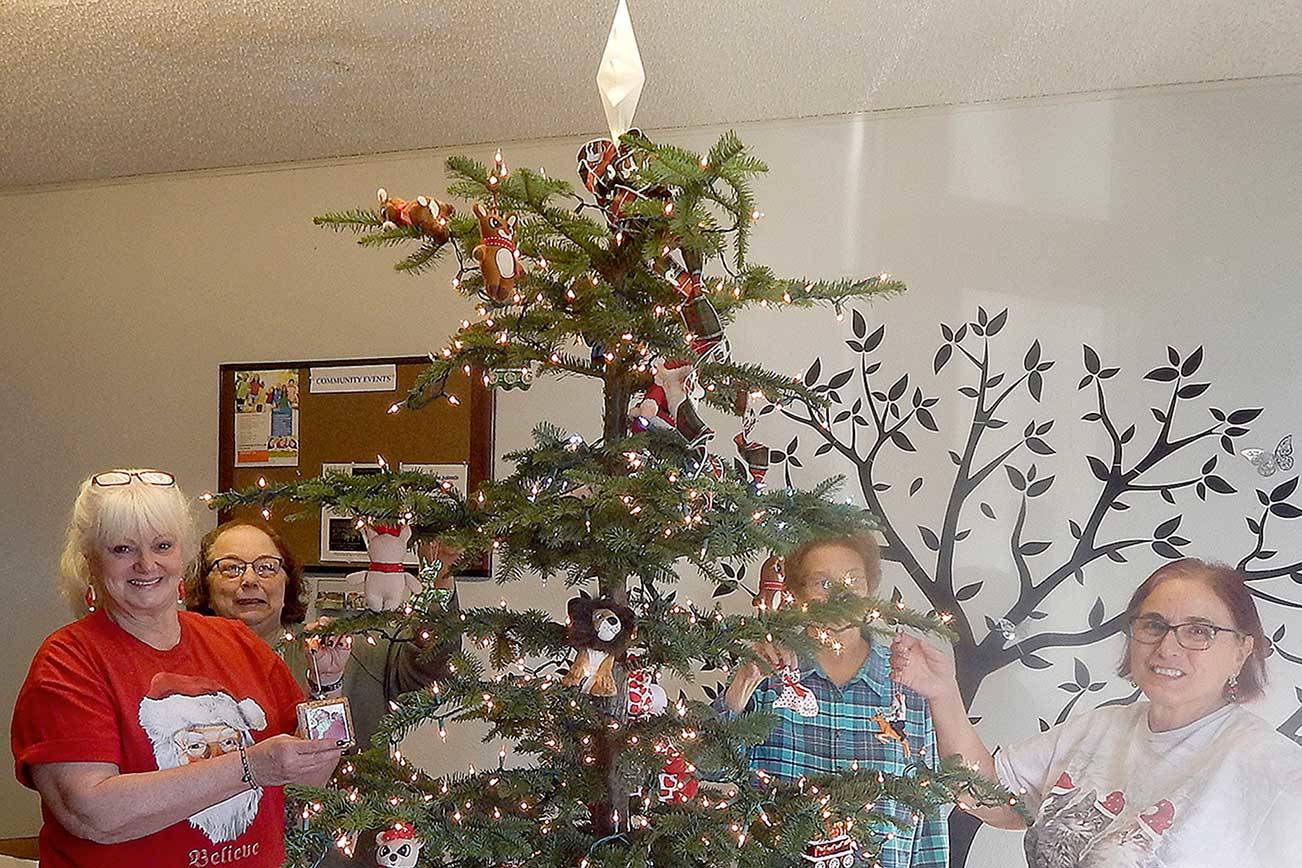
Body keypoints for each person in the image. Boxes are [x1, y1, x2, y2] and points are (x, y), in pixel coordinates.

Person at [11, 469, 343, 867]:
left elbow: (307, 782)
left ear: (182, 556)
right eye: (122, 549)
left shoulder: (238, 642)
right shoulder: (68, 661)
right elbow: (92, 814)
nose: (146, 564)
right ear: (90, 563)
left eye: (162, 545)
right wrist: (249, 766)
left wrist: (327, 686)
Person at [892, 557, 1302, 867]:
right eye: (1153, 625)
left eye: (1198, 631)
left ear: (1241, 651)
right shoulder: (1103, 727)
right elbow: (989, 797)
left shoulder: (1273, 768)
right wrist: (943, 692)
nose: (1168, 647)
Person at [717, 533, 948, 868]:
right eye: (822, 582)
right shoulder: (768, 677)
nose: (840, 595)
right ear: (797, 595)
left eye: (853, 580)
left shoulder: (907, 686)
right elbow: (711, 768)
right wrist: (743, 683)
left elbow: (927, 817)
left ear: (869, 590)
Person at [186, 517, 463, 748]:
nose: (249, 580)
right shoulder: (183, 662)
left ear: (288, 582)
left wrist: (441, 576)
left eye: (266, 567)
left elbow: (432, 665)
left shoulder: (343, 648)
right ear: (205, 587)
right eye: (231, 568)